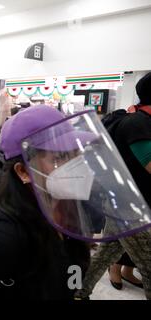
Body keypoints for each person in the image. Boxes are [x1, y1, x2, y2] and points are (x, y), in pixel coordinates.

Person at [0, 105, 151, 300]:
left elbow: (71, 275)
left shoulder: (70, 211)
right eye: (59, 158)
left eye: (76, 154)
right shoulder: (1, 232)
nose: (76, 165)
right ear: (23, 171)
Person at [75, 72, 151, 300]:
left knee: (106, 253)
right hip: (131, 208)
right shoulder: (138, 122)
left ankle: (78, 291)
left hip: (127, 204)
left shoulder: (140, 119)